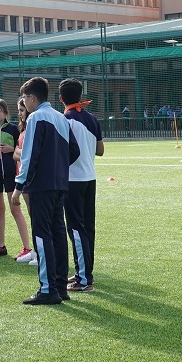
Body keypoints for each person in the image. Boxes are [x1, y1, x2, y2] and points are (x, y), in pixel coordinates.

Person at [15, 77, 79, 305]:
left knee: (42, 236)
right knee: (58, 234)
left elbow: (29, 155)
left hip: (41, 186)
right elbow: (74, 151)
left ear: (32, 97)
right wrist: (58, 167)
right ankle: (60, 287)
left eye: (24, 98)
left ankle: (47, 289)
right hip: (60, 184)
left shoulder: (35, 118)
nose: (24, 102)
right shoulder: (61, 117)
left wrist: (19, 186)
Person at [60, 79, 103, 293]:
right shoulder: (92, 118)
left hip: (72, 180)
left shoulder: (64, 120)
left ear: (60, 98)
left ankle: (84, 279)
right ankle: (84, 272)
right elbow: (100, 150)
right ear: (80, 96)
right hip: (90, 177)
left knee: (76, 228)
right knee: (87, 228)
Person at [0, 98, 30, 260]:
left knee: (15, 209)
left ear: (5, 113)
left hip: (10, 173)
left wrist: (11, 149)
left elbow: (20, 148)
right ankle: (0, 245)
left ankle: (27, 247)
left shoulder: (13, 129)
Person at [9, 98, 37, 264]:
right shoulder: (23, 130)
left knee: (36, 216)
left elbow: (27, 155)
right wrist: (20, 152)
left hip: (29, 178)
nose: (19, 114)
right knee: (32, 216)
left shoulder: (31, 129)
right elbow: (15, 154)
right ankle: (35, 250)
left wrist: (20, 152)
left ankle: (41, 253)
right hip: (22, 175)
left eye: (21, 110)